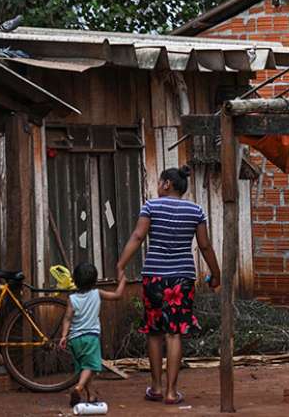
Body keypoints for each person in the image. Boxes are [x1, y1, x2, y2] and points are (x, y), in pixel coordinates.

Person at [116, 165, 221, 405]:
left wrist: (121, 264)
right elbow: (205, 246)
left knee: (154, 332)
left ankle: (155, 387)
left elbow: (137, 236)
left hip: (154, 276)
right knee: (174, 334)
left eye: (159, 182)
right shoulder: (196, 211)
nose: (158, 186)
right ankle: (172, 392)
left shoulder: (151, 206)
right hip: (182, 278)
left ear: (167, 184)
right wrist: (216, 274)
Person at [60, 262, 126, 407]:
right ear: (95, 281)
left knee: (85, 368)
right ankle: (79, 388)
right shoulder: (97, 293)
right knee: (90, 367)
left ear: (75, 281)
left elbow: (67, 318)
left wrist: (64, 336)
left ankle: (91, 396)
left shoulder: (72, 299)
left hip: (74, 339)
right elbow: (117, 295)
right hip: (91, 337)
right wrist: (122, 281)